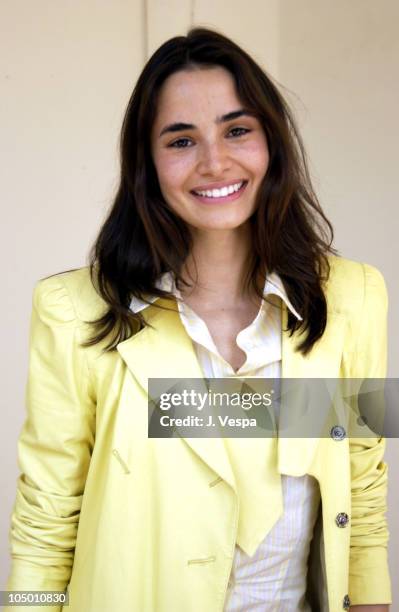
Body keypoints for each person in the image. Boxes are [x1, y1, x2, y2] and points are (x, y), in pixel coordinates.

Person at [6, 27, 391, 612]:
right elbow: (46, 521)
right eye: (181, 141)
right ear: (148, 163)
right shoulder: (73, 311)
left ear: (272, 144)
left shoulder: (354, 298)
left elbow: (361, 488)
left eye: (238, 130)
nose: (215, 162)